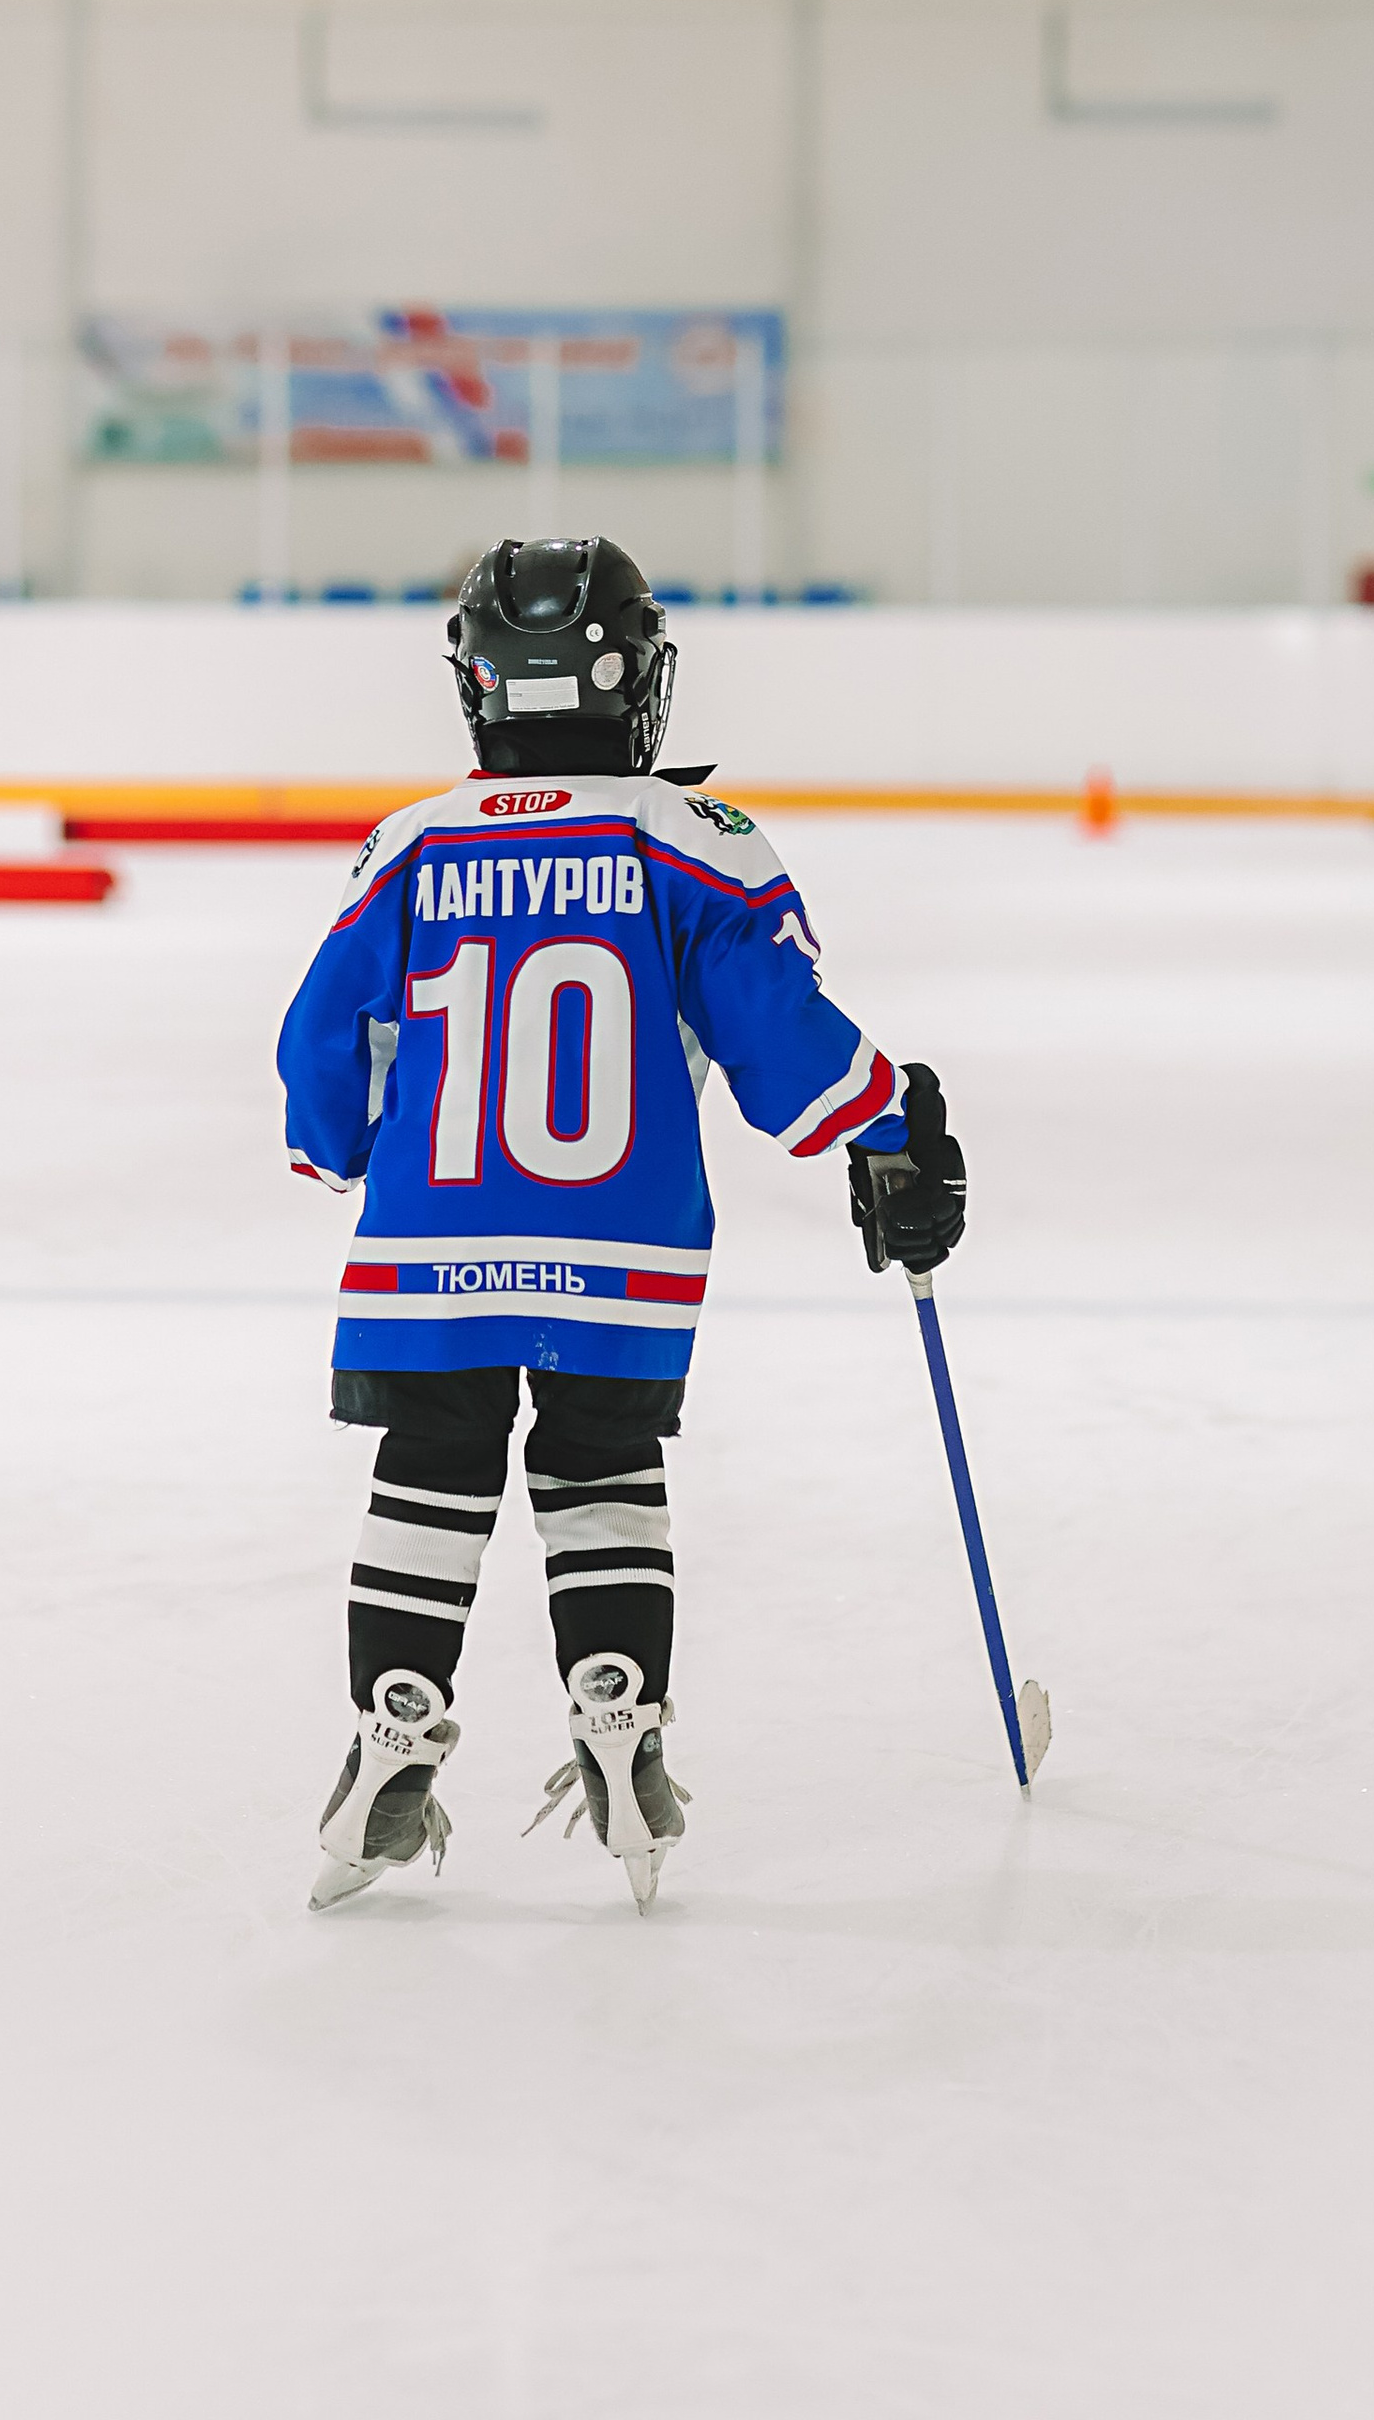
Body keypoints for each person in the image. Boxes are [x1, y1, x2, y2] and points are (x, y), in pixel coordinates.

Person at [277, 534, 962, 1917]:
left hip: (435, 1238)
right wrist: (890, 1129)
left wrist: (339, 1147)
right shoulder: (695, 841)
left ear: (477, 686)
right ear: (636, 677)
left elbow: (320, 1042)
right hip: (626, 1242)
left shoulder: (410, 844)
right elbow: (785, 1045)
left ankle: (394, 1721)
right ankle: (618, 1709)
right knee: (601, 1464)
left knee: (432, 1458)